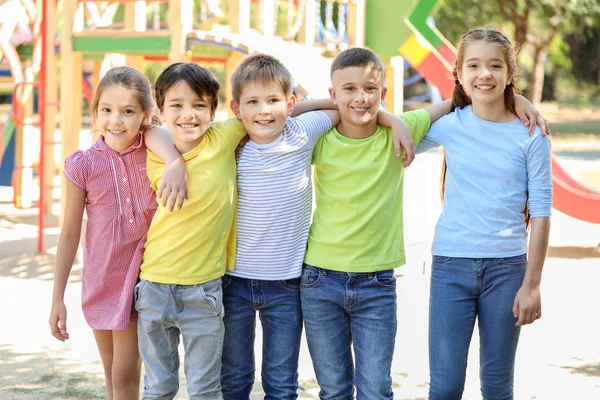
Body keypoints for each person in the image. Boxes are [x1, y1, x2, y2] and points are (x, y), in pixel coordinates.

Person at [299, 47, 547, 399]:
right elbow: (287, 113)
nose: (360, 98)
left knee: (377, 389)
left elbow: (453, 103)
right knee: (335, 389)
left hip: (378, 282)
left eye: (370, 90)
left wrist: (517, 98)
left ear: (383, 94)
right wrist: (389, 117)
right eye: (348, 90)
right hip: (321, 278)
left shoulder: (399, 132)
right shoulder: (321, 136)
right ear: (333, 94)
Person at [221, 53, 413, 400]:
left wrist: (391, 119)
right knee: (234, 378)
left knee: (281, 383)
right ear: (237, 108)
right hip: (233, 279)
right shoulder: (229, 140)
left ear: (290, 103)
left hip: (288, 284)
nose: (264, 110)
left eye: (273, 101)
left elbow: (352, 109)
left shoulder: (303, 132)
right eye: (253, 102)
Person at [417, 28, 552, 400]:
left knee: (496, 385)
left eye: (495, 66)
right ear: (458, 74)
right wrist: (450, 103)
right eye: (473, 66)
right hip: (451, 266)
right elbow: (400, 132)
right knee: (444, 387)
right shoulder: (450, 125)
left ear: (510, 73)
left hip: (507, 270)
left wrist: (532, 284)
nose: (485, 74)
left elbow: (541, 212)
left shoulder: (531, 133)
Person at [48, 66, 186, 400]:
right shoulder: (81, 165)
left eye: (127, 111)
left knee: (125, 376)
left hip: (139, 280)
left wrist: (174, 163)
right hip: (100, 279)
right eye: (106, 110)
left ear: (145, 115)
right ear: (95, 112)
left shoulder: (154, 149)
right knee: (112, 375)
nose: (116, 121)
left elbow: (161, 135)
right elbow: (68, 233)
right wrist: (57, 298)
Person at [134, 62, 247, 399]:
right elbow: (145, 128)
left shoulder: (223, 137)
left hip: (204, 290)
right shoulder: (151, 147)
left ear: (215, 109)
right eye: (177, 105)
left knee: (204, 388)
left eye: (200, 105)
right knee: (158, 386)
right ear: (160, 109)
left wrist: (384, 117)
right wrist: (173, 160)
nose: (189, 115)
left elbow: (277, 109)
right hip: (154, 285)